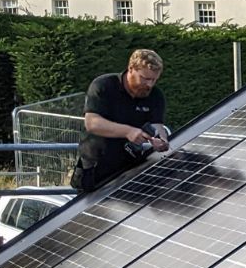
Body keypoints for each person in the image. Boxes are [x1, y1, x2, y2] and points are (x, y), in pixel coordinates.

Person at [70, 48, 171, 192]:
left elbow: (157, 124)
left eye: (154, 80)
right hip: (95, 167)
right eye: (145, 78)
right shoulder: (104, 86)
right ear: (131, 69)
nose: (149, 84)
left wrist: (161, 139)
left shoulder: (155, 96)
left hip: (129, 169)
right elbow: (92, 123)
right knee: (91, 212)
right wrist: (128, 131)